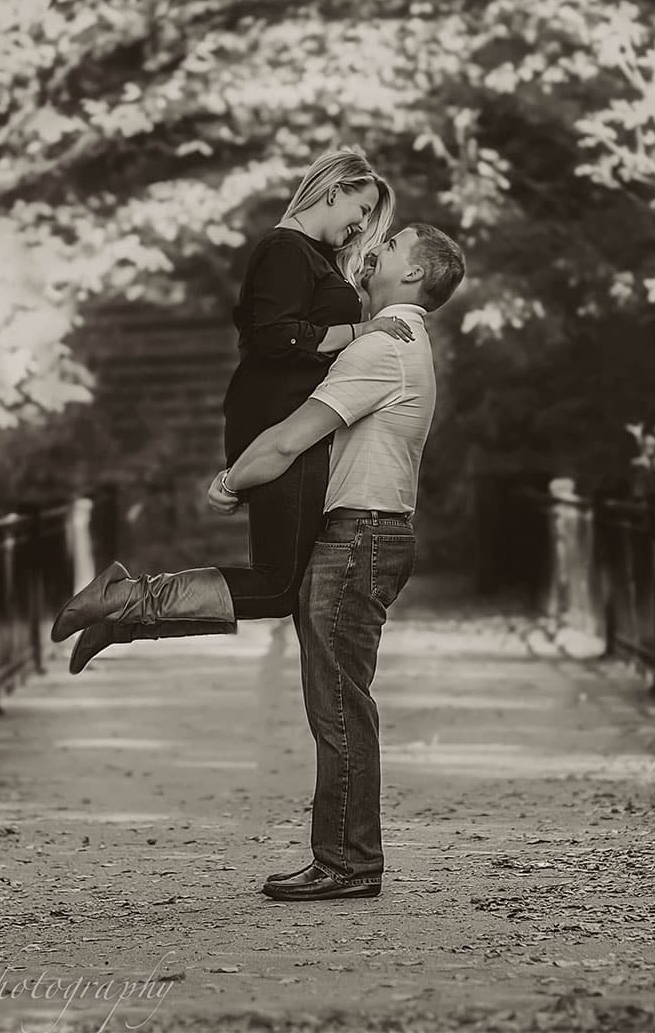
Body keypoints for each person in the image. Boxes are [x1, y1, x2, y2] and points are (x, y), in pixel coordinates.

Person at [52, 222, 466, 902]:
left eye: (391, 246)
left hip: (361, 537)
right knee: (325, 683)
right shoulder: (394, 341)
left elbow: (294, 434)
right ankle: (124, 609)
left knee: (338, 711)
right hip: (364, 533)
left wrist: (231, 478)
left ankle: (350, 864)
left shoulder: (385, 346)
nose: (376, 247)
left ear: (416, 274)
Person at [51, 148, 406, 667]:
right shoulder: (287, 249)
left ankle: (124, 618)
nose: (362, 224)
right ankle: (126, 598)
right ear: (334, 191)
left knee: (281, 583)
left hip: (284, 423)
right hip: (284, 428)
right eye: (362, 209)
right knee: (278, 584)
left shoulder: (311, 256)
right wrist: (361, 329)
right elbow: (274, 338)